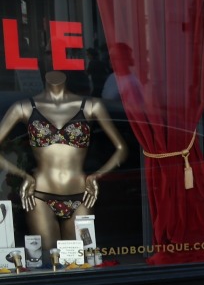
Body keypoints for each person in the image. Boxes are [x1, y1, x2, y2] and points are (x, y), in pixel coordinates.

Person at [0, 71, 128, 256]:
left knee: (81, 260)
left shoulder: (92, 106)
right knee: (48, 261)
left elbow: (121, 148)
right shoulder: (23, 107)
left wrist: (97, 175)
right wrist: (22, 175)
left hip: (81, 194)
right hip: (40, 195)